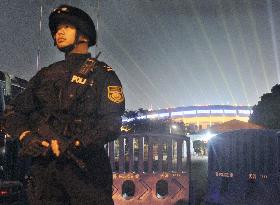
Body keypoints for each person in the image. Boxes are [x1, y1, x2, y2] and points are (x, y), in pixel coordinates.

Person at [5, 4, 125, 205]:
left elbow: (111, 123)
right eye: (57, 29)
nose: (58, 33)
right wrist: (27, 136)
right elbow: (14, 112)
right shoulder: (45, 75)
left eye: (66, 27)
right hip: (45, 172)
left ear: (84, 34)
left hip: (86, 171)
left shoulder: (102, 74)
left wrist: (77, 143)